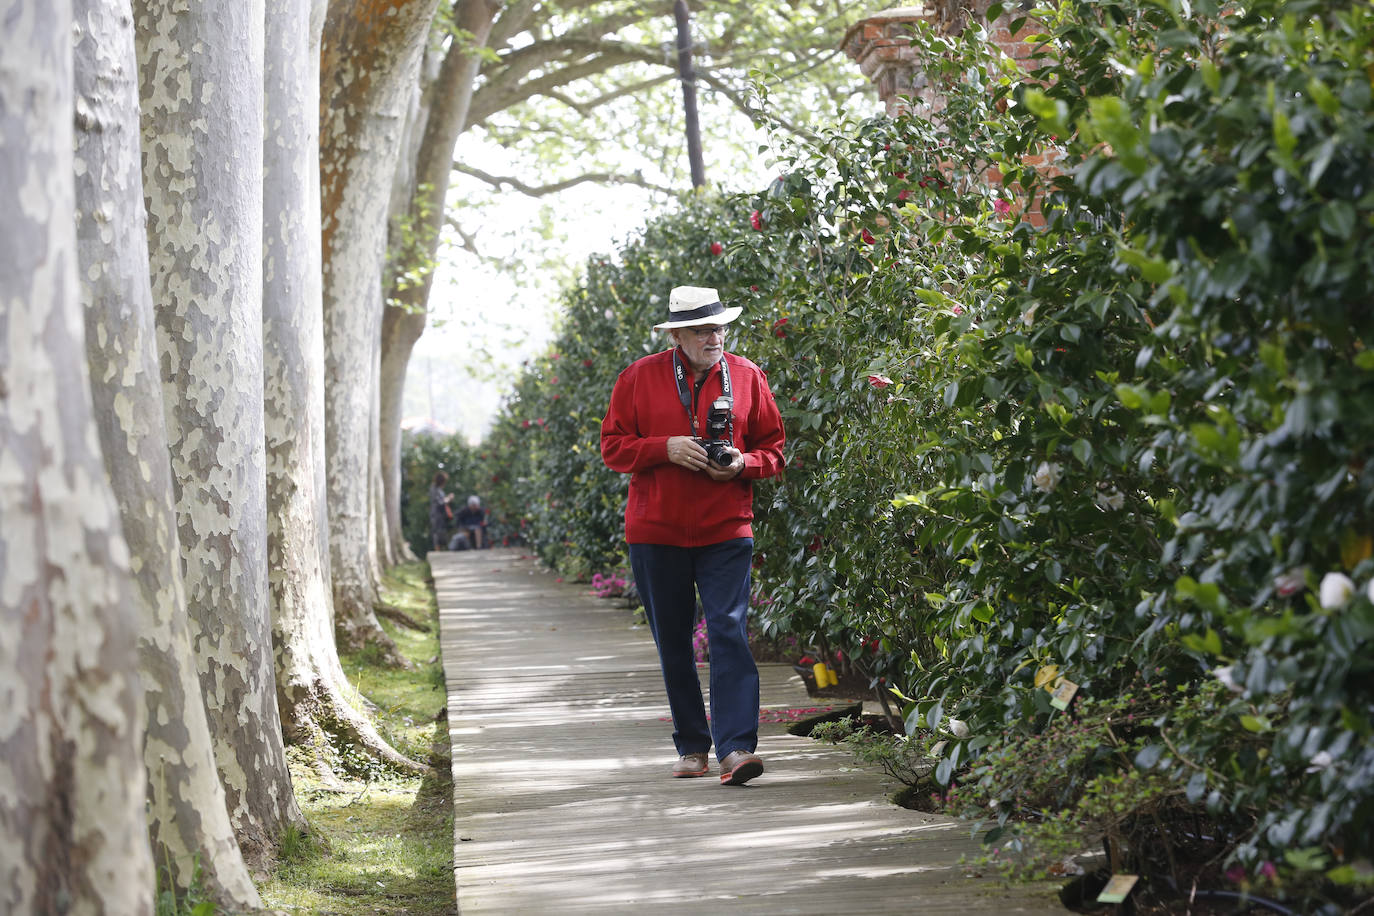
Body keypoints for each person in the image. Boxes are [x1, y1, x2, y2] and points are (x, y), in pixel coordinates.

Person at [601, 284, 785, 786]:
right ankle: (692, 745)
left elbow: (774, 448)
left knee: (727, 629)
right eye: (703, 329)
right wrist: (665, 448)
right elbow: (612, 447)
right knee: (674, 642)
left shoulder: (747, 376)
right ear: (677, 335)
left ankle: (736, 748)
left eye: (719, 326)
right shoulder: (638, 378)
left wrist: (744, 462)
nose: (714, 336)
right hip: (656, 532)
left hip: (727, 529)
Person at [428, 470, 454, 551]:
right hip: (436, 514)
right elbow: (440, 502)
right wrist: (449, 498)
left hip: (440, 514)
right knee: (437, 532)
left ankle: (441, 549)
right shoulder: (434, 488)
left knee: (441, 532)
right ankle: (437, 549)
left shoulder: (438, 489)